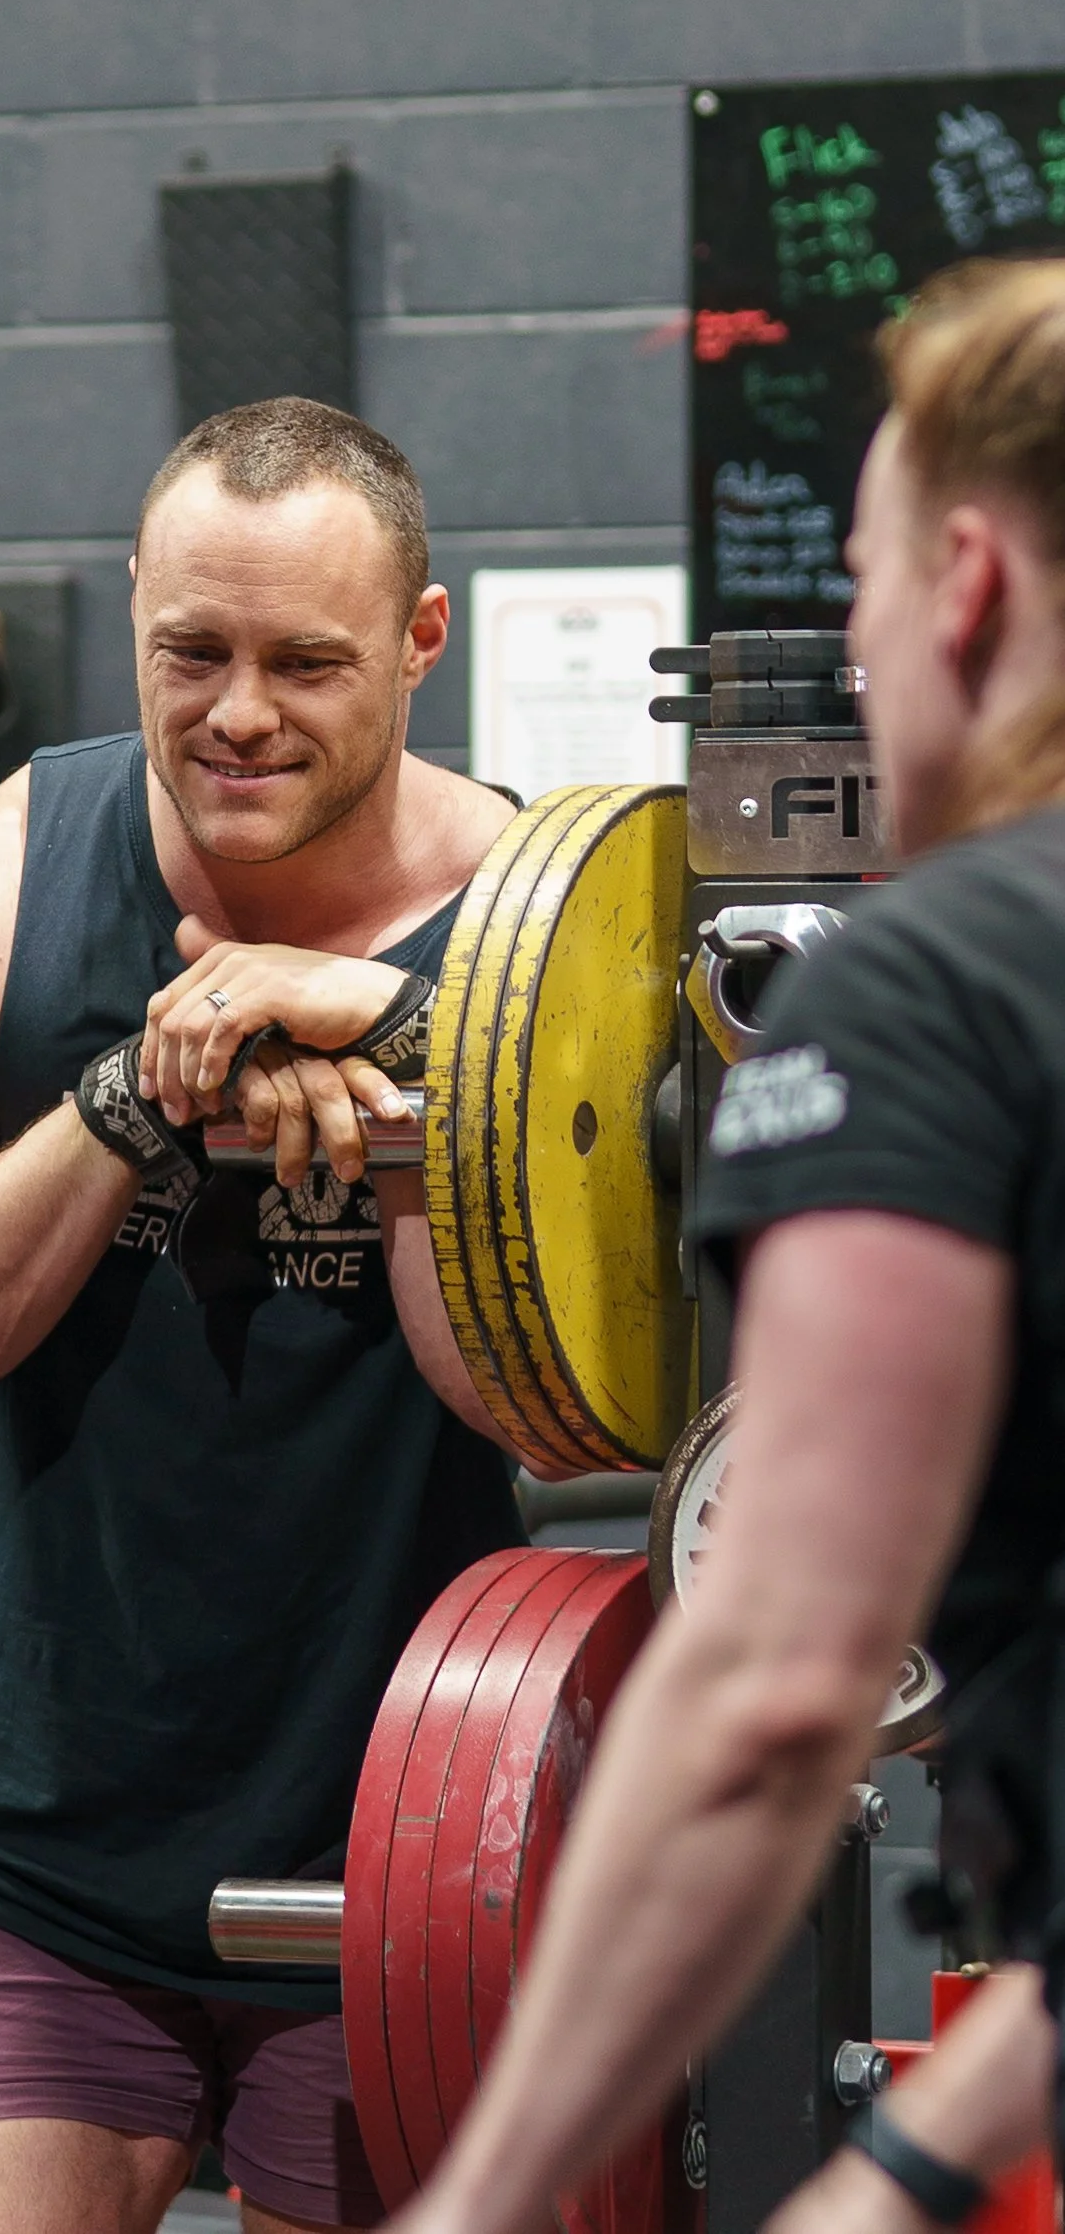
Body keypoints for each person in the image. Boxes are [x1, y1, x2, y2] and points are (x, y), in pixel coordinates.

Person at [0, 396, 538, 2234]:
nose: (239, 711)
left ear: (423, 644)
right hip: (15, 1845)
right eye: (193, 648)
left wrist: (419, 1078)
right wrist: (122, 1108)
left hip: (408, 1850)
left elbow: (562, 1417)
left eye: (304, 661)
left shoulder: (539, 937)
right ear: (132, 607)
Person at [386, 257, 1065, 2234]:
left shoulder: (941, 979)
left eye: (856, 588)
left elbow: (774, 1683)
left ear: (959, 581)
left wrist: (480, 2197)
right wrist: (919, 2163)